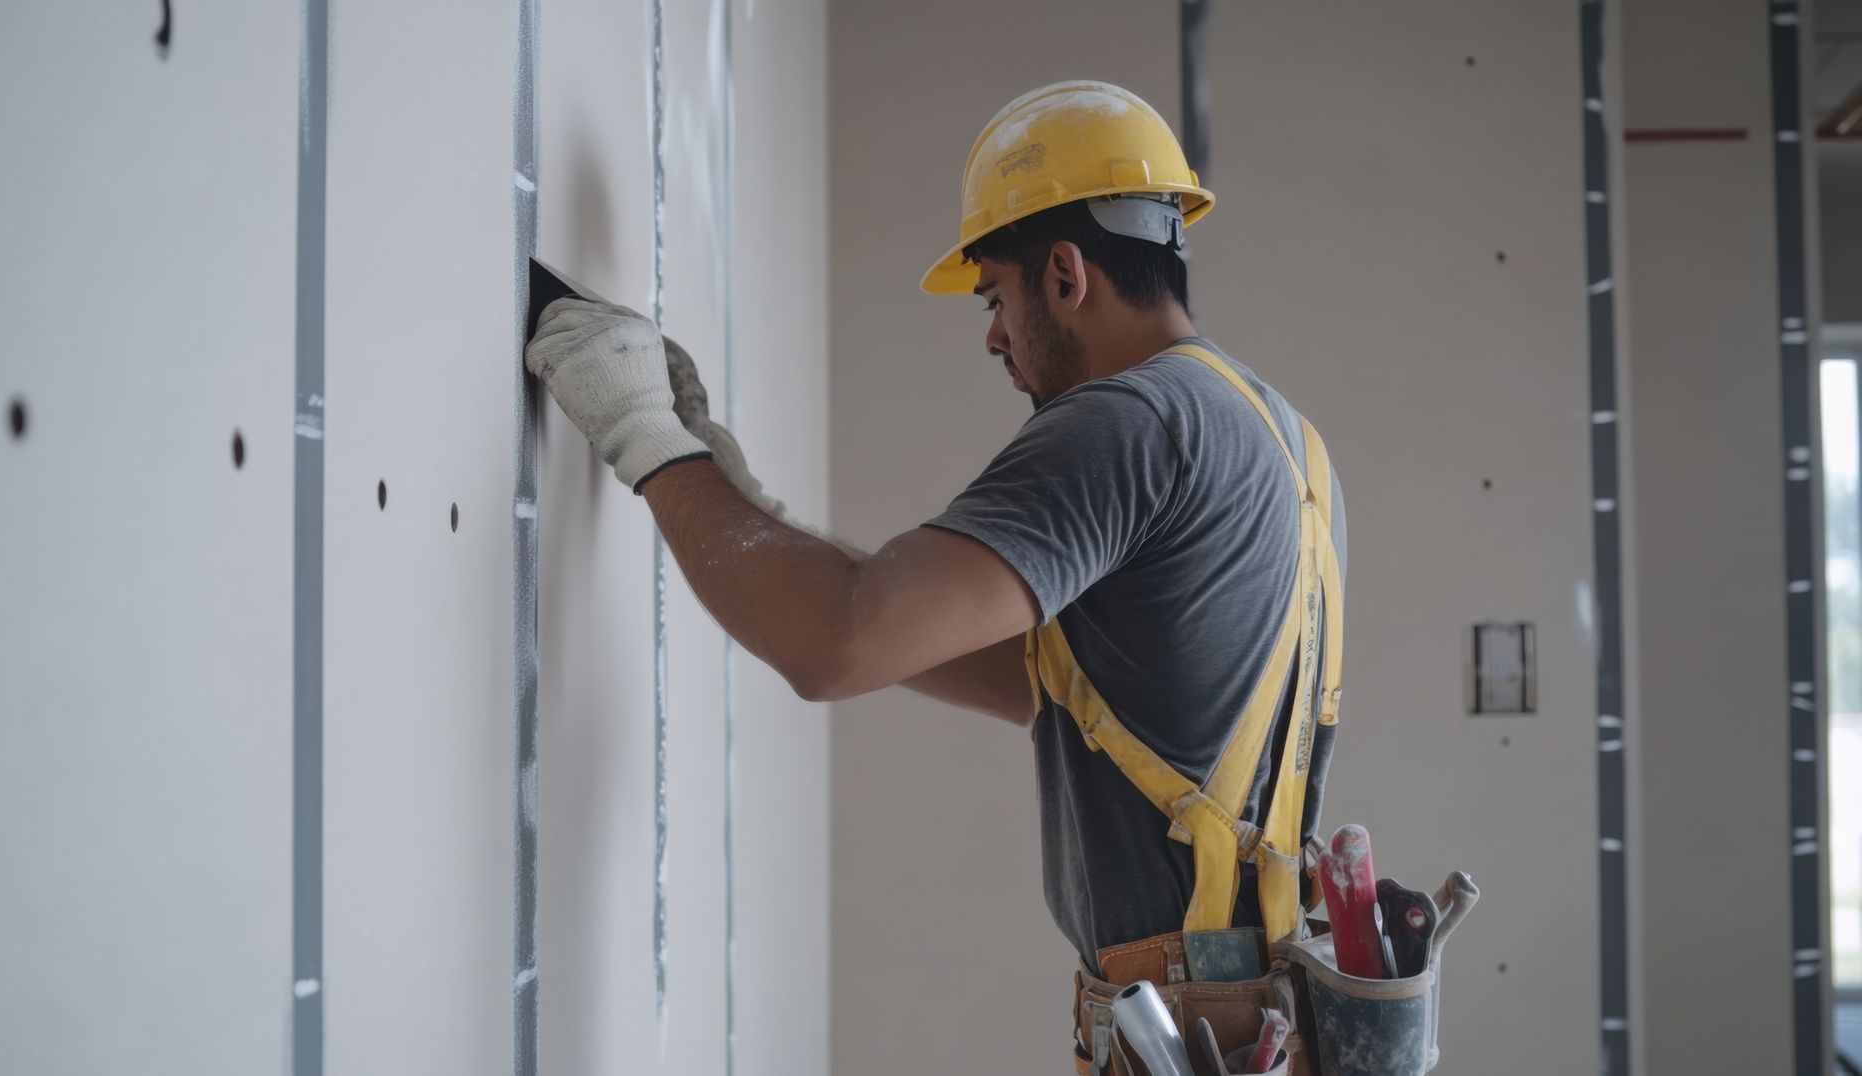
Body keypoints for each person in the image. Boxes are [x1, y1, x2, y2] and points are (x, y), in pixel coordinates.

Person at [526, 80, 1346, 1073]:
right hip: (1242, 1013)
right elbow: (1040, 675)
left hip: (1194, 1026)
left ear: (1064, 272)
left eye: (994, 295)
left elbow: (839, 643)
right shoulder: (1278, 437)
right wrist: (751, 512)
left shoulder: (1126, 424)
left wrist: (643, 434)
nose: (995, 334)